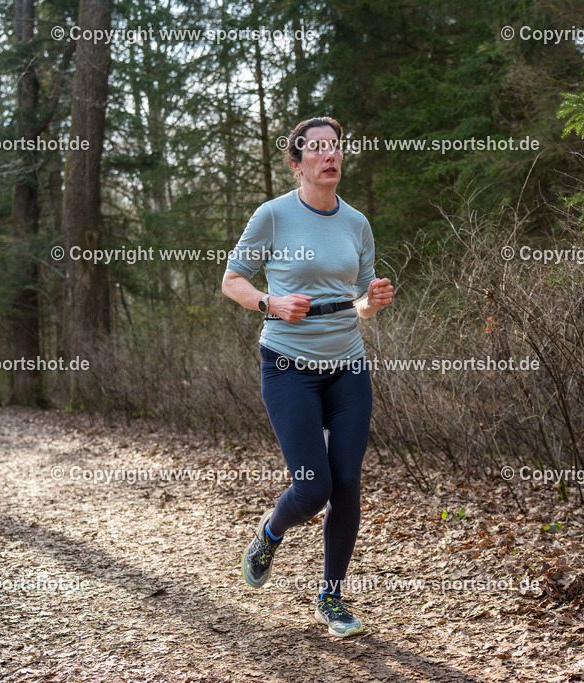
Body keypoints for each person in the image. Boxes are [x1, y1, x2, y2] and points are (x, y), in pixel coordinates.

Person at [221, 116, 394, 638]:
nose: (329, 155)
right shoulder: (273, 217)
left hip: (347, 367)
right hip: (288, 367)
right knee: (312, 486)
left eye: (335, 147)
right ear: (297, 164)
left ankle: (331, 598)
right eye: (316, 149)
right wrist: (269, 303)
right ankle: (270, 532)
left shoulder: (356, 223)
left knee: (346, 484)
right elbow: (232, 280)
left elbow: (360, 303)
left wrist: (373, 301)